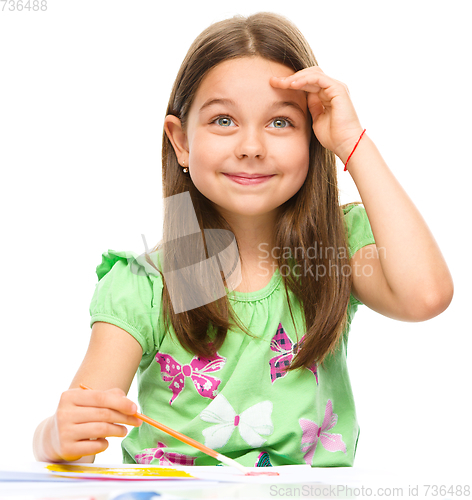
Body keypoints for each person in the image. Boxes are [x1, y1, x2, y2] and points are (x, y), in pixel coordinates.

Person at [33, 12, 453, 468]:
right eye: (223, 120)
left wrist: (351, 141)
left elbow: (426, 296)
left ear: (312, 139)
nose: (251, 146)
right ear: (181, 142)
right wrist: (53, 436)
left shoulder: (335, 252)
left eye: (280, 123)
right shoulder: (145, 284)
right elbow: (79, 438)